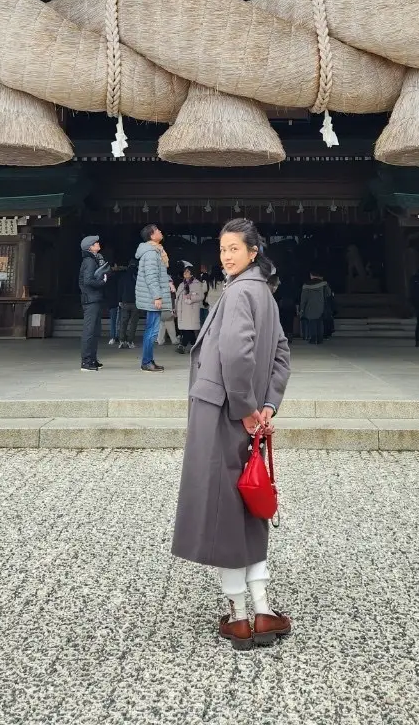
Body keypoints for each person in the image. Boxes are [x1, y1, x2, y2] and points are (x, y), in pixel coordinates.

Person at [171, 218, 292, 650]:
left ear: (253, 251)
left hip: (223, 414)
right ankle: (262, 610)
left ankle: (240, 616)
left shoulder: (240, 292)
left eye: (234, 249)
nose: (226, 256)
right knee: (248, 508)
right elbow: (280, 354)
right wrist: (266, 405)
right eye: (222, 249)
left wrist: (244, 410)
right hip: (246, 413)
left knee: (224, 509)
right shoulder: (264, 292)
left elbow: (236, 354)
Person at [136, 224, 172, 373]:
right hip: (153, 298)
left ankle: (149, 360)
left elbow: (159, 274)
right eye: (158, 231)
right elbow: (151, 277)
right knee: (152, 331)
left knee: (152, 330)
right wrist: (157, 296)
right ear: (152, 236)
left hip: (152, 296)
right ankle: (147, 362)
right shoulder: (151, 253)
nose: (160, 232)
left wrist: (169, 281)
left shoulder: (155, 251)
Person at [78, 235, 109, 371]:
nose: (98, 243)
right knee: (90, 331)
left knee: (95, 331)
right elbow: (88, 280)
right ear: (90, 247)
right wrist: (102, 282)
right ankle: (86, 361)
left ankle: (92, 359)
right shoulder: (90, 261)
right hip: (90, 299)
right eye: (95, 243)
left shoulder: (92, 259)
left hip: (93, 298)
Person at [175, 265, 204, 353]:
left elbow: (201, 296)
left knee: (188, 329)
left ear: (191, 273)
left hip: (191, 311)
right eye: (184, 271)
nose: (185, 273)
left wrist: (191, 298)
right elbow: (177, 297)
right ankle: (194, 346)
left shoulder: (196, 284)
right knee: (188, 329)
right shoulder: (181, 284)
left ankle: (182, 346)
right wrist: (175, 308)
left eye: (187, 271)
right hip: (182, 311)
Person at [298, 270, 331, 345]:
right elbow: (328, 294)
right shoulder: (324, 284)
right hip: (321, 306)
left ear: (311, 275)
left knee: (312, 322)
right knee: (320, 322)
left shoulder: (306, 285)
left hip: (310, 307)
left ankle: (313, 338)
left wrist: (302, 308)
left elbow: (303, 299)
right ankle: (320, 339)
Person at [117, 257, 138, 348]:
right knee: (133, 323)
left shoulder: (124, 275)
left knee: (123, 322)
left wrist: (119, 300)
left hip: (125, 302)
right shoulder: (137, 275)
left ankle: (122, 341)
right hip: (136, 302)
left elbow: (119, 289)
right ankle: (130, 342)